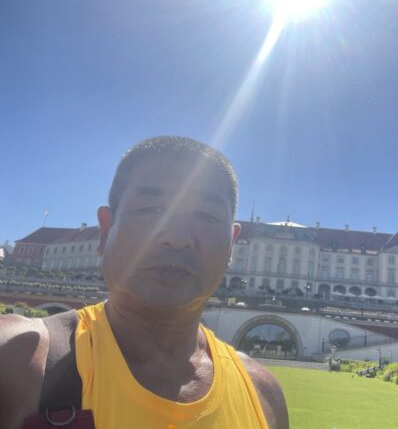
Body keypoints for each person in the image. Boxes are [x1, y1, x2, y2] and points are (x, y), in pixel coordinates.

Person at [0, 136, 289, 429]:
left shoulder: (265, 395)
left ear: (231, 245)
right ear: (106, 231)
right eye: (151, 209)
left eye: (206, 215)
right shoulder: (14, 356)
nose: (176, 237)